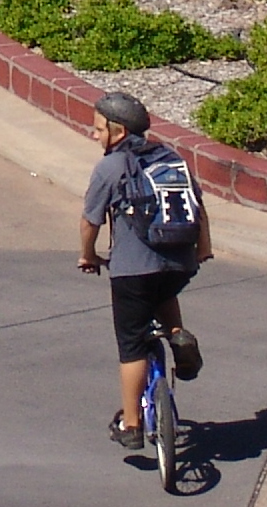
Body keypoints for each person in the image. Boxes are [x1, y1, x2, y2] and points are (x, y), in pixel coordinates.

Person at [77, 88, 208, 450]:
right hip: (180, 262)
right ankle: (178, 334)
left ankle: (131, 425)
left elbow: (91, 221)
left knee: (132, 344)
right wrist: (203, 251)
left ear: (118, 132)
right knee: (163, 290)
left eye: (98, 128)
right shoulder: (170, 157)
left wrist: (87, 256)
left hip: (133, 270)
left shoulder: (111, 167)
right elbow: (197, 206)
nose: (94, 134)